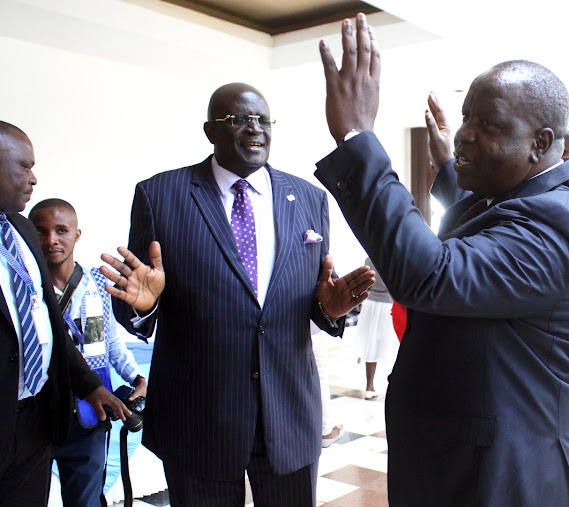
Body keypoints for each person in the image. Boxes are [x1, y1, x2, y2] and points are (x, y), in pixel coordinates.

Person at [314, 14, 569, 506]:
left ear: (540, 141)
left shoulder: (557, 222)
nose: (465, 134)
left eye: (488, 124)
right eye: (467, 117)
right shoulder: (527, 198)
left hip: (509, 471)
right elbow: (489, 225)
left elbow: (430, 274)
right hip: (470, 458)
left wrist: (356, 139)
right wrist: (452, 172)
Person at [99, 84, 375, 506]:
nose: (254, 130)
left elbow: (312, 297)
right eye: (239, 120)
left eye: (263, 120)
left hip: (287, 415)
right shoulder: (160, 195)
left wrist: (327, 309)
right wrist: (145, 305)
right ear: (211, 131)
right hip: (198, 417)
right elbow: (138, 295)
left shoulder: (308, 198)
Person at [0, 122, 128, 505]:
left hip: (36, 420)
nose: (33, 178)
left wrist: (91, 385)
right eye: (24, 166)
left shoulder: (19, 232)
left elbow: (51, 328)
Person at [28, 198, 148, 507]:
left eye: (61, 230)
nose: (51, 240)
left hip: (90, 414)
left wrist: (136, 376)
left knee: (86, 500)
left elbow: (110, 342)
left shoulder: (97, 283)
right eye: (41, 231)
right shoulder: (22, 286)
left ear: (76, 235)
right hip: (35, 416)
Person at [353, 257, 398, 399]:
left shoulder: (369, 259)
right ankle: (393, 385)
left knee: (370, 345)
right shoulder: (394, 260)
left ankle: (369, 387)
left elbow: (365, 283)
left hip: (370, 304)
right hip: (388, 305)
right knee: (390, 345)